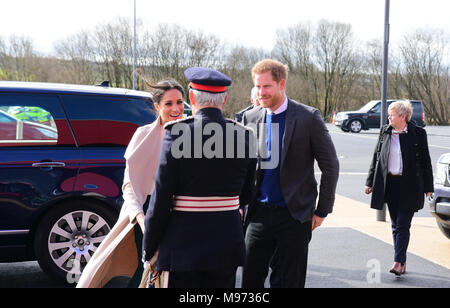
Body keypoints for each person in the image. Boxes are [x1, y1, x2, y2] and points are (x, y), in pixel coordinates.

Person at [142, 67, 257, 288]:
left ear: (192, 97)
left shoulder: (176, 132)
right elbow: (247, 194)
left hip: (183, 245)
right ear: (224, 100)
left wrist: (149, 246)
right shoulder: (244, 135)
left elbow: (161, 199)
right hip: (226, 243)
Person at [77, 79, 185, 288]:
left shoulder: (193, 135)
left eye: (179, 102)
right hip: (147, 211)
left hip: (182, 212)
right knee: (146, 269)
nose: (176, 108)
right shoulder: (143, 135)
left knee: (178, 272)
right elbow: (129, 185)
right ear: (157, 107)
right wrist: (140, 217)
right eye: (169, 103)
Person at [241, 59, 340, 288]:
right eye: (257, 86)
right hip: (258, 215)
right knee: (249, 280)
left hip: (294, 216)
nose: (261, 92)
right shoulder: (251, 118)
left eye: (266, 86)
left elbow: (331, 166)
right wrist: (238, 202)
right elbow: (245, 167)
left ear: (281, 83)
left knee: (288, 282)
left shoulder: (308, 118)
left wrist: (322, 209)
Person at [365, 100, 433, 276]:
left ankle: (397, 261)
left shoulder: (418, 134)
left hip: (410, 186)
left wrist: (428, 187)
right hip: (390, 185)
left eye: (392, 115)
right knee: (396, 225)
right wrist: (370, 181)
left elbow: (426, 162)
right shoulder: (385, 131)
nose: (388, 117)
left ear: (403, 117)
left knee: (403, 224)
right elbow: (376, 157)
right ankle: (401, 261)